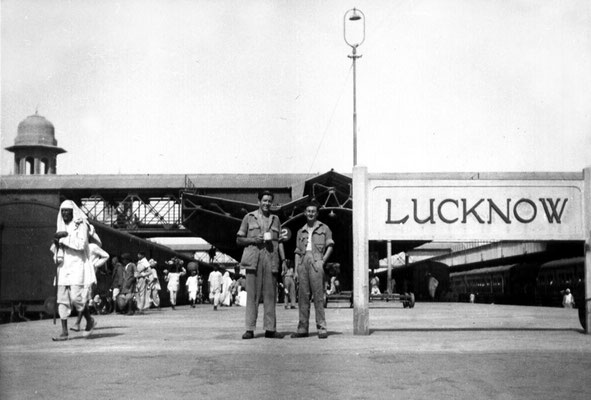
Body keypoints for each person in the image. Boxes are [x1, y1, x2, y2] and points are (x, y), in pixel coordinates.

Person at [237, 190, 286, 339]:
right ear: (258, 201)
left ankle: (270, 329)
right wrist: (253, 240)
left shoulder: (276, 219)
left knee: (270, 295)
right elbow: (239, 239)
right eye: (264, 200)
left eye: (269, 201)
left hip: (271, 259)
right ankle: (249, 329)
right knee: (252, 296)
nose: (267, 203)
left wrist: (283, 261)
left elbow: (280, 242)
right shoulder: (249, 217)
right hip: (253, 260)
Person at [50, 200, 98, 341]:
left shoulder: (81, 224)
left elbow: (81, 244)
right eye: (62, 211)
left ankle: (89, 320)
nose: (64, 213)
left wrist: (63, 239)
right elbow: (56, 247)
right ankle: (64, 332)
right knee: (62, 300)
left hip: (77, 265)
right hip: (63, 267)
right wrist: (55, 244)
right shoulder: (61, 225)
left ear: (73, 212)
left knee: (77, 297)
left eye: (67, 211)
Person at [291, 200, 334, 339]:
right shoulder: (300, 231)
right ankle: (302, 328)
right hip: (303, 262)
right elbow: (297, 251)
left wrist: (322, 261)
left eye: (313, 211)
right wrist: (297, 269)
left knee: (318, 296)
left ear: (317, 213)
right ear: (305, 213)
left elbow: (330, 246)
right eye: (308, 211)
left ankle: (321, 328)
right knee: (303, 297)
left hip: (317, 261)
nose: (310, 214)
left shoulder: (324, 228)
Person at [71, 240, 109, 331]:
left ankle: (78, 323)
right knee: (78, 298)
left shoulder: (93, 247)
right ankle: (89, 321)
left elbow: (106, 256)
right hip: (80, 274)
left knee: (83, 298)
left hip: (89, 275)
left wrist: (95, 264)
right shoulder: (78, 247)